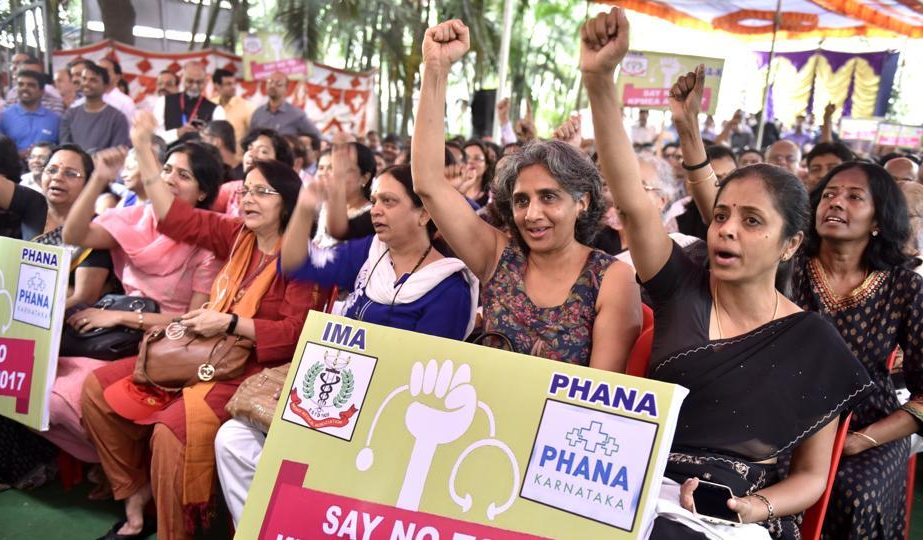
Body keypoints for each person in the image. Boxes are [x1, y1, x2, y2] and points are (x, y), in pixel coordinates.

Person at [581, 10, 871, 539]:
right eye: (720, 216)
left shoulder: (814, 341)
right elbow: (634, 202)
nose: (727, 230)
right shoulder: (680, 287)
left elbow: (811, 476)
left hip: (732, 515)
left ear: (790, 245)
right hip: (633, 486)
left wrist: (750, 507)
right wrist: (599, 80)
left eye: (751, 221)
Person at [80, 110, 323, 540]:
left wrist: (229, 322)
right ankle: (138, 496)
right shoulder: (236, 234)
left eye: (262, 192)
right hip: (199, 349)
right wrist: (143, 148)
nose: (248, 200)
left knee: (170, 434)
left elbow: (295, 334)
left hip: (249, 368)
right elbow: (174, 217)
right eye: (245, 190)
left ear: (288, 202)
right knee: (97, 390)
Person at [212, 153, 480, 528]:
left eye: (389, 201)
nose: (376, 210)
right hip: (332, 397)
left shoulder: (449, 288)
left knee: (308, 464)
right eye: (374, 200)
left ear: (423, 214)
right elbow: (294, 263)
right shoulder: (370, 254)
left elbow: (422, 381)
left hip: (384, 421)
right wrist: (305, 208)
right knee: (233, 438)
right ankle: (269, 528)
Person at [411, 19, 641, 369]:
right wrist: (435, 68)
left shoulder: (612, 279)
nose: (532, 214)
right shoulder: (498, 258)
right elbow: (428, 183)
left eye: (549, 197)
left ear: (582, 201)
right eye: (522, 200)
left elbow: (599, 390)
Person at [50, 138, 222, 469]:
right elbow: (74, 235)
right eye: (167, 169)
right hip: (113, 337)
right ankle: (119, 467)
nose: (170, 179)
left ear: (202, 193)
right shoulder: (136, 217)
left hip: (166, 345)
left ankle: (129, 474)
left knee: (68, 396)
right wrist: (99, 178)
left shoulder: (208, 241)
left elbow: (193, 321)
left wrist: (118, 318)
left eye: (184, 175)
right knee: (37, 388)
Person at [792, 161, 923, 538]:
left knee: (855, 495)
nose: (836, 203)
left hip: (867, 424)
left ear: (878, 220)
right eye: (829, 195)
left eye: (854, 197)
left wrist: (858, 441)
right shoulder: (786, 268)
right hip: (785, 421)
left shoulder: (904, 287)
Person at [0, 103, 112, 309]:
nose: (57, 177)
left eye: (71, 174)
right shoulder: (33, 203)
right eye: (51, 170)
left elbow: (83, 298)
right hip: (10, 305)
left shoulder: (94, 231)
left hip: (60, 318)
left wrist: (30, 312)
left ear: (88, 184)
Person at [213, 127, 293, 217]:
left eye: (263, 151)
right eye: (249, 148)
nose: (251, 154)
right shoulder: (232, 189)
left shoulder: (287, 196)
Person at [310, 142, 376, 248]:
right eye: (333, 168)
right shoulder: (326, 205)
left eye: (344, 170)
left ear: (364, 178)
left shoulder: (372, 215)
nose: (334, 175)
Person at [60, 64, 130, 152]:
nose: (86, 83)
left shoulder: (117, 118)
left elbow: (118, 152)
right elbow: (65, 148)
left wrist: (97, 158)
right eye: (84, 79)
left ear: (105, 86)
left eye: (93, 80)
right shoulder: (70, 115)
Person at [154, 61, 225, 144]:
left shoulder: (216, 110)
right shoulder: (163, 102)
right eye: (190, 81)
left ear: (206, 82)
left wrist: (204, 136)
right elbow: (155, 137)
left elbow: (220, 142)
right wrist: (178, 133)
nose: (194, 86)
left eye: (199, 82)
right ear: (182, 79)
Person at [0, 70, 61, 155]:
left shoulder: (55, 120)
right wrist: (17, 155)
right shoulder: (3, 117)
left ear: (42, 92)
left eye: (31, 85)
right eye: (20, 84)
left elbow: (60, 150)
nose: (24, 88)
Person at [249, 71, 320, 137]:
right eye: (270, 82)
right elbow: (250, 139)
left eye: (279, 84)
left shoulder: (297, 114)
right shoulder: (258, 113)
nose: (272, 86)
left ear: (286, 89)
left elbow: (317, 136)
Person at [211, 68, 251, 149]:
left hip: (237, 155)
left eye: (234, 83)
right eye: (228, 84)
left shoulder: (246, 106)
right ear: (217, 86)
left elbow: (252, 135)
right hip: (213, 153)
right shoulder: (211, 105)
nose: (233, 87)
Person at [96, 58, 137, 124]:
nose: (100, 74)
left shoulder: (125, 102)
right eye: (97, 70)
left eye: (105, 70)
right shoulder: (87, 98)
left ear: (117, 77)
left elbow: (129, 128)